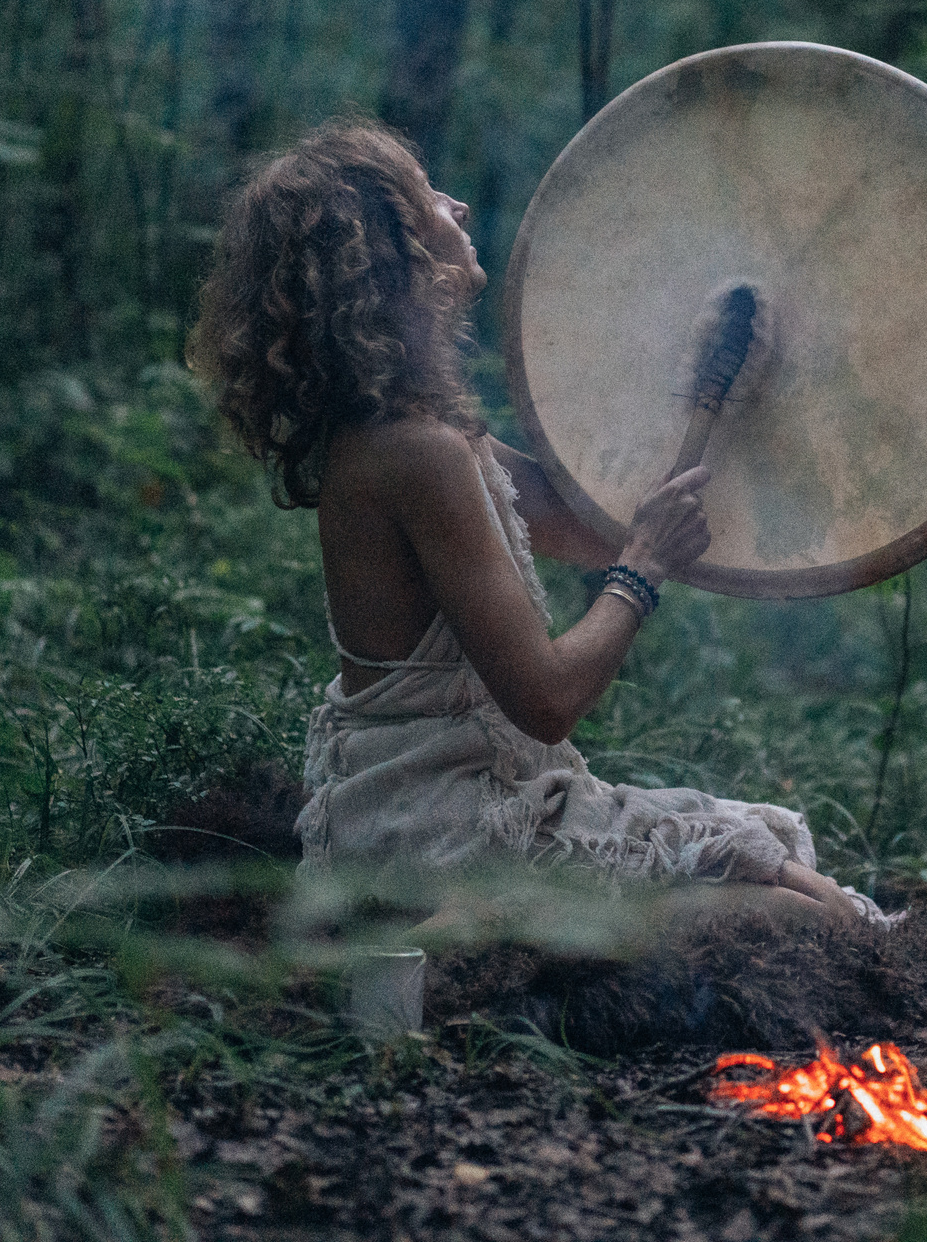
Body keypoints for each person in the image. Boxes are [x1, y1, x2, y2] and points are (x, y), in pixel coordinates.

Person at [185, 120, 881, 925]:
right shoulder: (412, 452)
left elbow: (601, 528)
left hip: (471, 807)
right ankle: (455, 942)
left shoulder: (428, 436)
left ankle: (479, 935)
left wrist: (712, 384)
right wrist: (643, 568)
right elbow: (548, 700)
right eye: (429, 197)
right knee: (814, 917)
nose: (460, 205)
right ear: (391, 248)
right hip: (439, 832)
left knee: (799, 883)